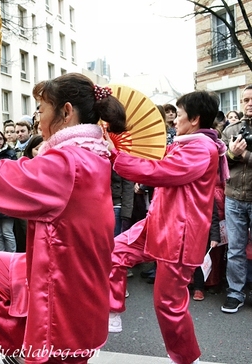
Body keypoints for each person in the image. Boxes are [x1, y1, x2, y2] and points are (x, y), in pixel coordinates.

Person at [0, 73, 127, 363]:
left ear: (67, 112)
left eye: (42, 108)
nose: (37, 118)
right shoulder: (91, 156)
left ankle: (24, 352)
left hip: (64, 308)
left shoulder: (67, 163)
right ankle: (21, 351)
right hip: (74, 284)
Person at [108, 90, 224, 364]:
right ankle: (112, 310)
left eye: (179, 115)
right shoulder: (187, 145)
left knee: (168, 304)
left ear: (194, 119)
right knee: (112, 251)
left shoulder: (201, 148)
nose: (175, 121)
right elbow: (157, 166)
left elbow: (160, 172)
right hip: (158, 223)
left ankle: (186, 359)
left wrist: (116, 158)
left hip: (180, 234)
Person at [220, 85, 252, 314]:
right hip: (234, 198)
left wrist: (245, 155)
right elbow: (218, 164)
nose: (249, 104)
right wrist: (231, 154)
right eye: (245, 100)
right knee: (235, 248)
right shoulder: (231, 130)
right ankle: (235, 292)